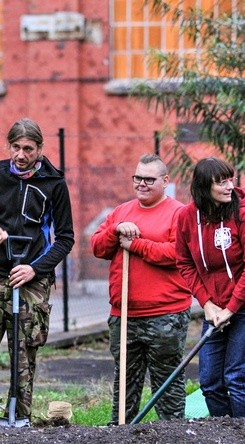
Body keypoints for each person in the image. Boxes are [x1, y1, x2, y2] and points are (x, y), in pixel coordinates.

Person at [0, 118, 74, 425]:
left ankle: (19, 422)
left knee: (23, 357)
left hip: (31, 280)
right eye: (16, 147)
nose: (21, 155)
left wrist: (34, 269)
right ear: (8, 146)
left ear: (40, 149)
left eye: (28, 148)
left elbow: (65, 239)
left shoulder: (54, 184)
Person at [90, 153, 192, 424]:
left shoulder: (179, 213)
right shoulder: (121, 212)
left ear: (165, 180)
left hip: (165, 314)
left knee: (167, 378)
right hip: (124, 314)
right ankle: (121, 431)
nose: (142, 184)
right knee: (124, 378)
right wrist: (115, 231)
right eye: (138, 178)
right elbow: (98, 247)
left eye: (149, 179)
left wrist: (136, 245)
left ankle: (172, 433)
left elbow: (178, 254)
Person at [176, 157, 245, 418]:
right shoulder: (186, 217)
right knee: (209, 381)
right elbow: (184, 262)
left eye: (231, 179)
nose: (229, 186)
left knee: (235, 378)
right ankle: (225, 437)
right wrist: (207, 304)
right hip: (214, 308)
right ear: (204, 187)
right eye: (221, 182)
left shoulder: (243, 215)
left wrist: (231, 308)